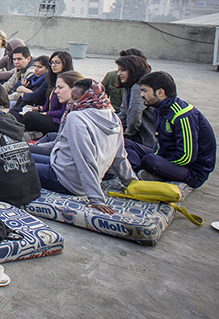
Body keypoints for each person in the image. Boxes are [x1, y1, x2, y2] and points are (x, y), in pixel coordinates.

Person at [31, 78, 137, 214]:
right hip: (66, 167)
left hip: (66, 180)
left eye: (75, 98)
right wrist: (132, 182)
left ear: (88, 99)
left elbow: (84, 158)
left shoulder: (76, 118)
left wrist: (96, 198)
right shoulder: (113, 117)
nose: (71, 102)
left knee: (15, 164)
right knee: (24, 154)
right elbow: (120, 157)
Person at [124, 71, 216, 188]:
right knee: (124, 143)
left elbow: (186, 156)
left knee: (150, 160)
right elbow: (160, 142)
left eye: (145, 91)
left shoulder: (182, 115)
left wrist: (161, 161)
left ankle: (149, 172)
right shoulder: (158, 109)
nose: (141, 95)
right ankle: (140, 174)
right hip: (167, 156)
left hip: (192, 170)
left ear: (160, 92)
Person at [16, 54, 78, 136]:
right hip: (48, 113)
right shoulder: (51, 80)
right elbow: (47, 104)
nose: (54, 65)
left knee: (29, 116)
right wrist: (36, 108)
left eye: (57, 62)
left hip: (57, 121)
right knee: (19, 111)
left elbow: (62, 112)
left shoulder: (68, 82)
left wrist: (44, 113)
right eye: (52, 63)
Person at [115, 55, 155, 148]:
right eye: (119, 70)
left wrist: (128, 133)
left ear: (133, 70)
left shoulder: (138, 87)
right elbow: (124, 113)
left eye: (123, 70)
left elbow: (134, 116)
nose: (119, 73)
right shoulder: (128, 86)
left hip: (143, 139)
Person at [102, 48, 147, 113]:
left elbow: (135, 115)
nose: (119, 73)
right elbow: (99, 97)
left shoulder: (144, 84)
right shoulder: (112, 76)